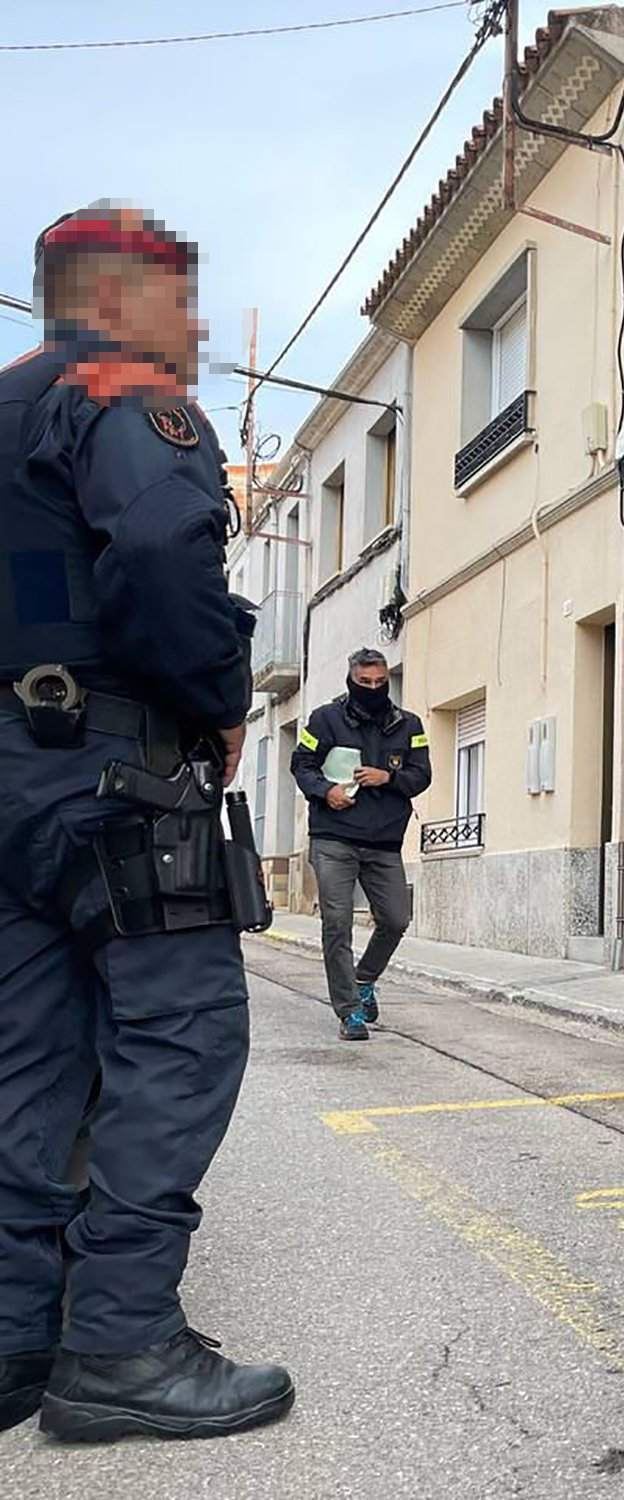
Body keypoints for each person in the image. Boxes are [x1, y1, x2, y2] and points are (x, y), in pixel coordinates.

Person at [0, 204, 293, 1440]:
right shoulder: (124, 389)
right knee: (178, 1039)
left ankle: (19, 1336)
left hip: (12, 783)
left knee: (31, 1057)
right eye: (178, 297)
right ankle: (121, 1345)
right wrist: (216, 698)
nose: (191, 327)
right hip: (117, 769)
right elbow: (168, 547)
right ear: (115, 294)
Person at [291, 648, 429, 1041]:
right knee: (338, 922)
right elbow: (301, 764)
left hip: (384, 840)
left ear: (387, 681)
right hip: (334, 837)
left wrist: (388, 778)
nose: (373, 688)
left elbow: (422, 775)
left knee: (396, 919)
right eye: (365, 683)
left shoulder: (409, 725)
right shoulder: (324, 719)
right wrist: (325, 791)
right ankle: (349, 1010)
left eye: (380, 683)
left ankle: (364, 980)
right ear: (351, 681)